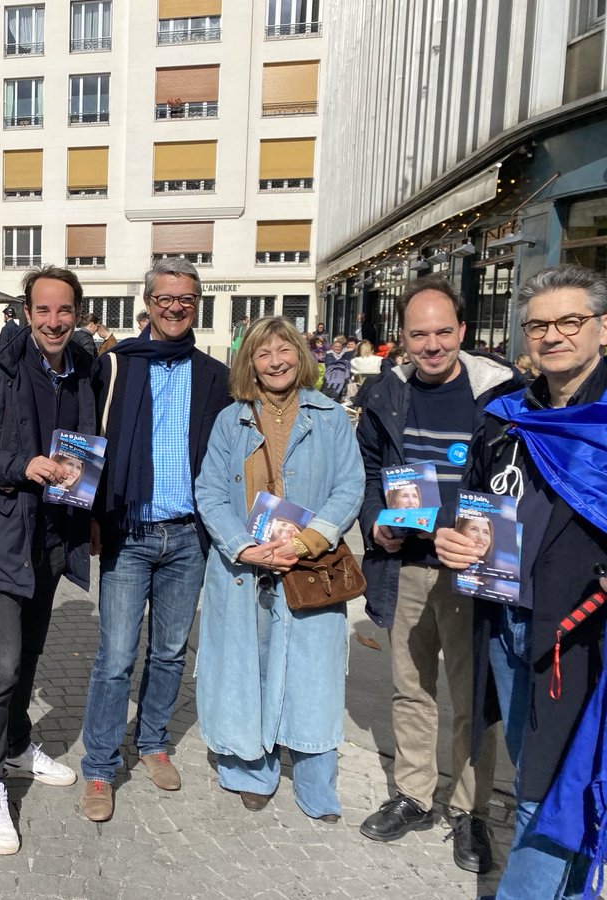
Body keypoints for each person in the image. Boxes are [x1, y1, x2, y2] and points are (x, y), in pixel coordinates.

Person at [436, 263, 607, 899]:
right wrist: (455, 538)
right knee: (529, 758)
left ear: (602, 328)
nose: (553, 335)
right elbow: (474, 500)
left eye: (570, 321)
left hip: (581, 628)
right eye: (539, 325)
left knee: (552, 778)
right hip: (507, 619)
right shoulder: (504, 415)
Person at [355, 274, 520, 875]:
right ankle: (414, 795)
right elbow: (370, 473)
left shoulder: (504, 397)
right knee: (411, 688)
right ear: (401, 338)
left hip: (475, 573)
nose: (431, 345)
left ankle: (471, 812)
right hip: (407, 568)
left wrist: (488, 540)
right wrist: (377, 522)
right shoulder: (384, 395)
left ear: (463, 332)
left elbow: (520, 485)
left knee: (474, 697)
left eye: (442, 332)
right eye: (418, 334)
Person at [0, 265, 95, 855]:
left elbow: (87, 444)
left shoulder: (84, 371)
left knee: (29, 654)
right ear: (27, 314)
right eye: (43, 310)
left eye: (64, 311)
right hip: (1, 536)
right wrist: (19, 466)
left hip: (52, 534)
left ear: (76, 314)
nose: (54, 321)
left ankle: (15, 744)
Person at [77, 257, 230, 822]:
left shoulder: (213, 374)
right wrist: (89, 514)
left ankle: (152, 742)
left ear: (197, 304)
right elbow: (88, 435)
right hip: (130, 531)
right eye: (165, 298)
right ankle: (98, 766)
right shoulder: (115, 365)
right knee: (115, 656)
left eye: (185, 299)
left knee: (168, 652)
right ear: (148, 302)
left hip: (188, 536)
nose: (174, 307)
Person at [194, 316, 362, 821]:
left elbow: (349, 487)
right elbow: (209, 491)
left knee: (314, 677)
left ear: (301, 356)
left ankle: (315, 783)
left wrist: (309, 540)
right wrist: (244, 547)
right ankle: (251, 770)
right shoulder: (231, 420)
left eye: (283, 351)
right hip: (246, 569)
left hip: (310, 567)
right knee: (247, 668)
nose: (275, 362)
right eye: (263, 354)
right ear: (250, 363)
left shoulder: (330, 416)